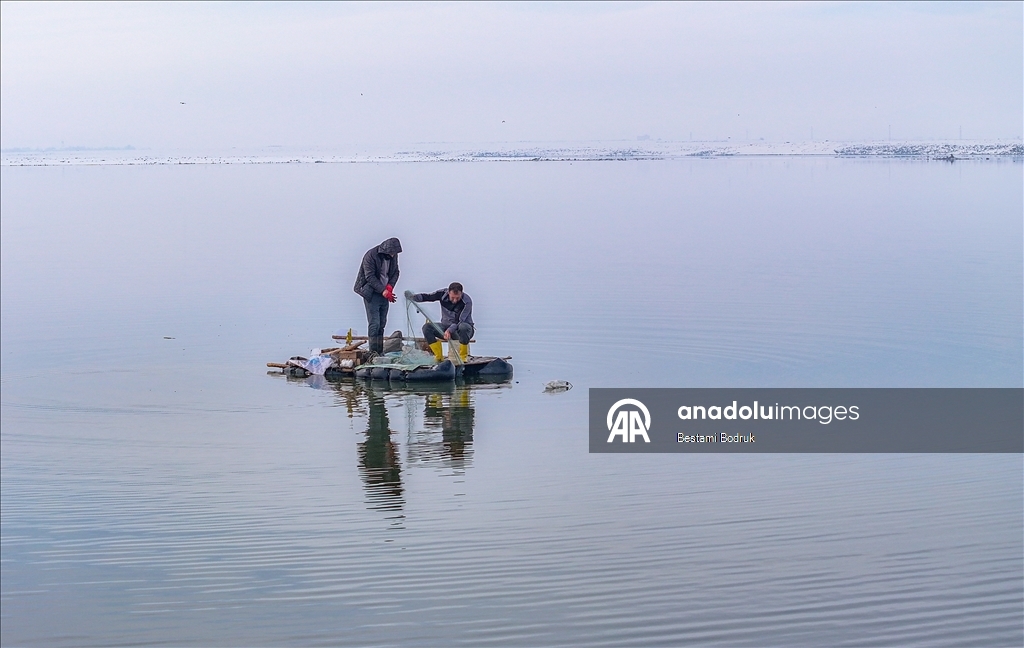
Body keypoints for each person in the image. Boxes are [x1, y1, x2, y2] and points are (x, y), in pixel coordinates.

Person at [353, 237, 402, 355]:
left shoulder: (393, 256)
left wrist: (390, 287)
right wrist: (382, 290)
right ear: (385, 250)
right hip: (371, 292)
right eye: (391, 252)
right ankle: (372, 352)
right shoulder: (370, 256)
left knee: (382, 323)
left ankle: (379, 351)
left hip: (385, 293)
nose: (392, 255)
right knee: (374, 323)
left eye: (394, 253)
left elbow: (396, 272)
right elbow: (369, 277)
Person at [407, 282, 474, 362]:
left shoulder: (467, 302)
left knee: (463, 326)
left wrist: (449, 330)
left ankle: (463, 357)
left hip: (463, 330)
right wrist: (413, 297)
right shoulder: (442, 294)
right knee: (427, 328)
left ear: (461, 293)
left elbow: (459, 321)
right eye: (452, 297)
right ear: (448, 292)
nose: (455, 300)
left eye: (457, 298)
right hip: (445, 327)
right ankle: (438, 356)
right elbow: (428, 297)